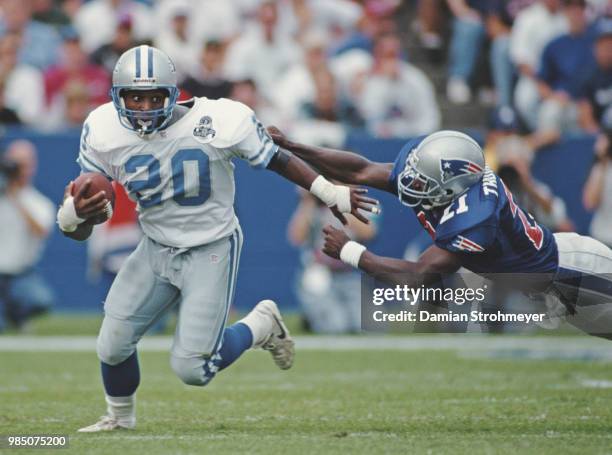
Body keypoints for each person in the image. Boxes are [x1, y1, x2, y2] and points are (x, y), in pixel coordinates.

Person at [56, 45, 376, 432]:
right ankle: (120, 418)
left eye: (153, 97)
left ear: (172, 94)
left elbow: (278, 158)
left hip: (210, 246)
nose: (142, 107)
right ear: (117, 97)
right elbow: (82, 226)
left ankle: (260, 325)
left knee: (192, 369)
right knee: (111, 344)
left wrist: (329, 192)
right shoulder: (102, 129)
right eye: (134, 97)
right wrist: (72, 217)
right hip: (155, 245)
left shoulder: (218, 119)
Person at [269, 127, 612, 339]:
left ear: (452, 188)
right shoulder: (453, 185)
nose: (410, 181)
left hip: (574, 276)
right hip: (551, 280)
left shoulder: (475, 216)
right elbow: (360, 169)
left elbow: (420, 274)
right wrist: (293, 146)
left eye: (422, 179)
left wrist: (348, 251)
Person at [0, 140, 56, 332]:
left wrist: (14, 195)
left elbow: (40, 230)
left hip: (21, 274)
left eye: (24, 165)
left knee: (40, 299)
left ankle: (16, 314)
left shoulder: (39, 202)